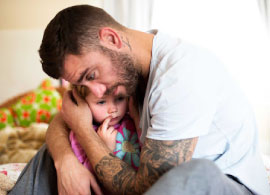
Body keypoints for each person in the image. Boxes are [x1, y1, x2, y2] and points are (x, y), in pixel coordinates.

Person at [9, 4, 270, 195]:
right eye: (82, 84)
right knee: (58, 150)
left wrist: (83, 131)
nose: (97, 93)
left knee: (196, 173)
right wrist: (64, 161)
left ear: (111, 39)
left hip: (223, 186)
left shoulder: (180, 74)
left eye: (91, 75)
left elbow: (149, 189)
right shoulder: (124, 67)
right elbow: (67, 115)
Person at [69, 85, 141, 173]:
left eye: (119, 98)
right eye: (102, 102)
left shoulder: (131, 120)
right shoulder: (81, 134)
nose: (113, 109)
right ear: (83, 104)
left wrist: (136, 118)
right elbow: (85, 174)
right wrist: (106, 149)